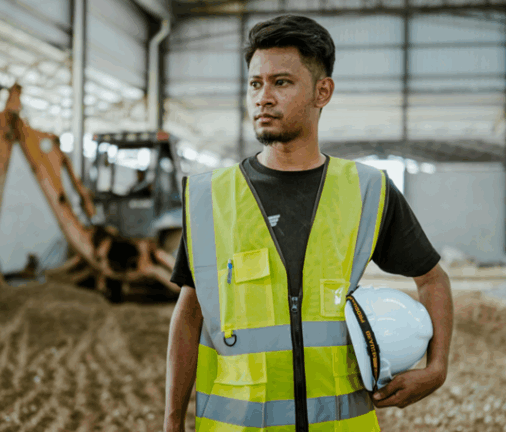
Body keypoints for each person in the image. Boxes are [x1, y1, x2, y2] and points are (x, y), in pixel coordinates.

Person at [163, 15, 453, 432]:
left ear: (323, 91)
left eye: (281, 82)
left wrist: (437, 368)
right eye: (254, 83)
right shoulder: (211, 198)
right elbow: (189, 313)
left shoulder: (367, 190)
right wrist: (172, 422)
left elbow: (433, 281)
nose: (263, 97)